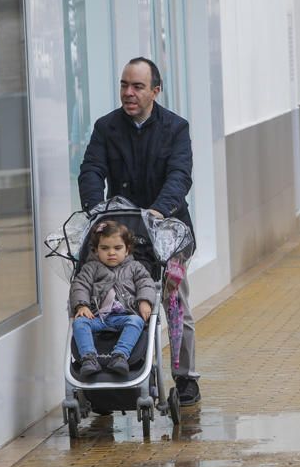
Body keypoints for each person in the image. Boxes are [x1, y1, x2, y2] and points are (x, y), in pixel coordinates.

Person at [78, 57, 201, 406]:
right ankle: (104, 372)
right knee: (108, 298)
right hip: (118, 232)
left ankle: (186, 376)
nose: (128, 93)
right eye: (124, 85)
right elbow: (91, 170)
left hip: (169, 233)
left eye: (137, 87)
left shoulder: (176, 128)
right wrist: (95, 210)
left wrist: (157, 211)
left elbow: (180, 175)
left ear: (155, 91)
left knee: (174, 299)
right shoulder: (106, 127)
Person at [69, 221, 156, 378]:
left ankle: (120, 355)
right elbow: (80, 286)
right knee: (79, 323)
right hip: (97, 317)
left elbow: (146, 283)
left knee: (136, 321)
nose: (111, 253)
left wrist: (144, 301)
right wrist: (81, 305)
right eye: (104, 248)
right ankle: (89, 358)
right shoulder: (90, 268)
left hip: (124, 315)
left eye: (117, 248)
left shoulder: (135, 267)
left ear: (127, 249)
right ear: (96, 251)